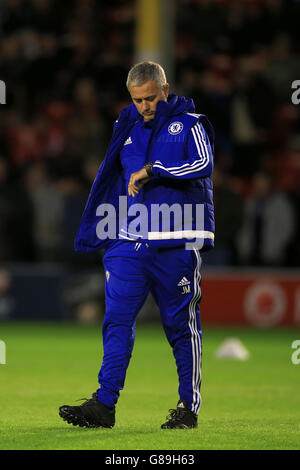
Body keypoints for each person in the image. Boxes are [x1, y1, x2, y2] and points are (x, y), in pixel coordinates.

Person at [59, 61, 215, 429]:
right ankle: (104, 404)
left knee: (180, 326)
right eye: (136, 99)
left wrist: (154, 168)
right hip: (129, 240)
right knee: (116, 320)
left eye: (149, 98)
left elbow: (204, 163)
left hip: (175, 242)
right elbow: (112, 176)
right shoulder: (126, 125)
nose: (144, 106)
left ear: (165, 89)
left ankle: (187, 408)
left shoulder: (190, 124)